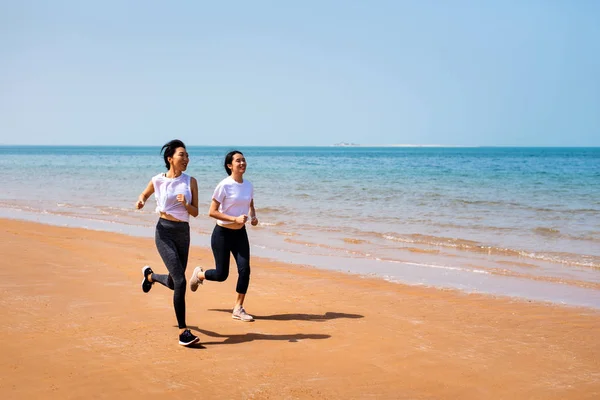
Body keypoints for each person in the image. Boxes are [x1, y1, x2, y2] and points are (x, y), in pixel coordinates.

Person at [136, 139, 200, 346]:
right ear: (170, 158)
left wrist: (186, 204)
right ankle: (183, 331)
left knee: (175, 282)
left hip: (183, 233)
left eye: (187, 155)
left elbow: (196, 212)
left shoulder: (191, 182)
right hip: (163, 232)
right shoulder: (158, 180)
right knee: (180, 281)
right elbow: (144, 194)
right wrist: (141, 201)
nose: (186, 159)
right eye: (182, 155)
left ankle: (150, 276)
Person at [189, 150, 258, 322]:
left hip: (240, 233)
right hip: (222, 234)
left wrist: (254, 215)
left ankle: (238, 308)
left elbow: (250, 202)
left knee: (245, 269)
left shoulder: (248, 185)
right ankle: (199, 275)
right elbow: (212, 211)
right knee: (221, 274)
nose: (242, 163)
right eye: (238, 161)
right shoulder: (224, 185)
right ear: (229, 165)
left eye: (244, 160)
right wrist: (234, 218)